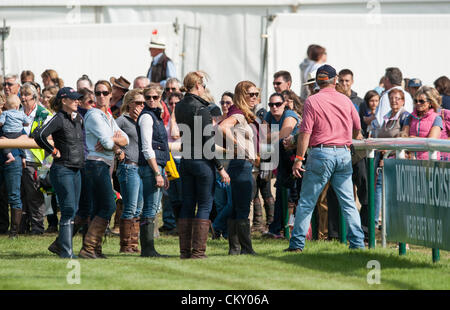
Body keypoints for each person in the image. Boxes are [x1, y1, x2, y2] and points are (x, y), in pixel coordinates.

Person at [287, 64, 365, 252]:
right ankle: (358, 244)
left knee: (307, 202)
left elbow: (305, 132)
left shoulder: (312, 101)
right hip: (343, 153)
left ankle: (297, 244)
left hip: (320, 153)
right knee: (348, 203)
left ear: (317, 82)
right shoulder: (346, 101)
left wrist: (298, 158)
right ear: (335, 80)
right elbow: (357, 128)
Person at [175, 71, 230, 259]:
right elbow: (208, 143)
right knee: (205, 204)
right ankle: (198, 251)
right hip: (201, 162)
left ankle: (185, 251)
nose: (205, 89)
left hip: (186, 160)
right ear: (198, 86)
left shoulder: (179, 106)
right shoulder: (202, 109)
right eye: (204, 85)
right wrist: (220, 167)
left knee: (188, 203)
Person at [79, 80, 129, 259]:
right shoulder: (94, 115)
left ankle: (95, 249)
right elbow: (109, 142)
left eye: (105, 92)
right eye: (98, 93)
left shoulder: (107, 115)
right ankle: (88, 248)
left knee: (98, 207)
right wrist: (114, 142)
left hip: (104, 164)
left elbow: (126, 139)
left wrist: (114, 141)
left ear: (110, 94)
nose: (101, 96)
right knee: (108, 204)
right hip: (96, 164)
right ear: (93, 95)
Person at [34, 87, 84, 258]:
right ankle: (66, 251)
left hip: (76, 169)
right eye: (74, 99)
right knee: (69, 209)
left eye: (78, 99)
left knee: (74, 209)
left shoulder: (78, 118)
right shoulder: (58, 118)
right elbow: (39, 135)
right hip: (62, 169)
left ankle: (62, 247)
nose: (78, 101)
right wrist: (52, 150)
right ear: (64, 101)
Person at [218, 81, 259, 255]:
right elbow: (223, 127)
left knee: (235, 207)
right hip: (241, 164)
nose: (255, 97)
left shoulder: (240, 113)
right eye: (251, 94)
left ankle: (234, 249)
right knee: (242, 208)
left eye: (256, 94)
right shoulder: (239, 114)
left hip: (238, 164)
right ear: (242, 95)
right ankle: (246, 249)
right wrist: (237, 145)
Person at [135, 85, 170, 257]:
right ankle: (148, 249)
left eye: (155, 97)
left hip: (156, 166)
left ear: (160, 98)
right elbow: (147, 148)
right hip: (151, 167)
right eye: (148, 97)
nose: (151, 100)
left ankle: (149, 249)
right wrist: (157, 172)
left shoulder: (156, 116)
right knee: (150, 209)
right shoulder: (147, 118)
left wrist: (162, 171)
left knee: (153, 208)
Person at [263, 92, 300, 239]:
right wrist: (275, 135)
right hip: (281, 158)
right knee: (281, 193)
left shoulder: (289, 114)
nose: (274, 107)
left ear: (284, 104)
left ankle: (298, 231)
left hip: (296, 158)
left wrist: (273, 135)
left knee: (296, 195)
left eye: (278, 104)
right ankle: (276, 229)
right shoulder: (268, 116)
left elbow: (285, 133)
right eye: (271, 104)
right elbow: (263, 137)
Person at [373, 88, 410, 228]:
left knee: (391, 191)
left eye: (397, 98)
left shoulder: (405, 116)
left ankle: (383, 222)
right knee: (380, 188)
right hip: (382, 156)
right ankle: (379, 220)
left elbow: (403, 137)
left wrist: (388, 151)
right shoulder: (387, 116)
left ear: (403, 101)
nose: (394, 101)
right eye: (391, 98)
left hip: (394, 157)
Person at [19, 82, 53, 235]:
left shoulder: (44, 114)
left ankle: (38, 227)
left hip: (37, 161)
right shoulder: (17, 112)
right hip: (19, 159)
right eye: (22, 95)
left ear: (35, 97)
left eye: (26, 95)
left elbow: (52, 138)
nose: (24, 98)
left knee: (35, 195)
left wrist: (47, 165)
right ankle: (21, 226)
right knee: (21, 195)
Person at [115, 89, 145, 253]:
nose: (141, 105)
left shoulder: (142, 121)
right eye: (138, 102)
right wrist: (118, 150)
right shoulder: (122, 120)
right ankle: (126, 246)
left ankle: (134, 244)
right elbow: (107, 135)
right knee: (130, 206)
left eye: (143, 103)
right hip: (128, 166)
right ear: (130, 103)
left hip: (141, 168)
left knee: (139, 208)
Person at [160, 91, 184, 234]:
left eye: (176, 103)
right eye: (171, 103)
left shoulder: (179, 119)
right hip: (170, 160)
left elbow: (175, 134)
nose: (173, 106)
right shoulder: (168, 120)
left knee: (180, 195)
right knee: (171, 196)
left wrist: (174, 114)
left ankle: (181, 225)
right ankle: (174, 225)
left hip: (180, 160)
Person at [401, 86, 443, 160]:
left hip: (429, 160)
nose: (418, 103)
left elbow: (432, 141)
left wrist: (413, 139)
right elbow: (404, 137)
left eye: (421, 101)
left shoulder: (436, 118)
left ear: (430, 103)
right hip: (411, 161)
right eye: (415, 101)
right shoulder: (409, 117)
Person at [0, 95, 30, 164]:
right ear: (17, 107)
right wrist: (22, 124)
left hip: (8, 134)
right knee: (21, 146)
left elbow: (1, 122)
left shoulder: (5, 113)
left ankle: (10, 157)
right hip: (18, 132)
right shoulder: (21, 113)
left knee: (5, 146)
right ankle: (24, 158)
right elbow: (27, 123)